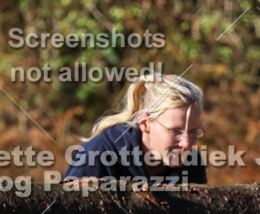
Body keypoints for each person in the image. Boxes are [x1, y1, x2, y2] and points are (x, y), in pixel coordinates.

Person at [64, 73, 207, 186]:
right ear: (145, 123)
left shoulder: (192, 164)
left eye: (193, 131)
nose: (187, 143)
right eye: (175, 131)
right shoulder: (97, 156)